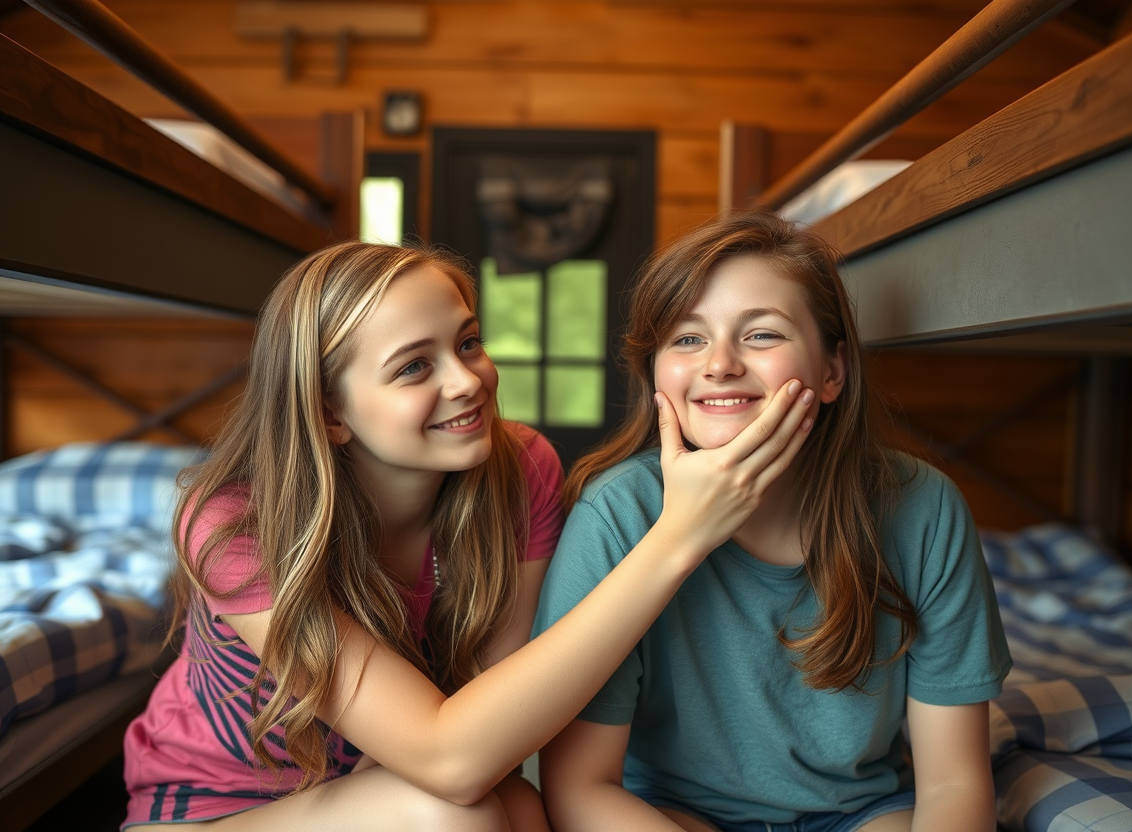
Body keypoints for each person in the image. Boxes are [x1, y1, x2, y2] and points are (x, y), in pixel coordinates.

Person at [121, 240, 816, 832]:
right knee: (458, 813)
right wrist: (678, 538)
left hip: (393, 784)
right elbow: (452, 763)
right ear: (330, 410)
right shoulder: (234, 521)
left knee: (517, 805)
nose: (469, 380)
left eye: (469, 343)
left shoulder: (520, 471)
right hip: (219, 810)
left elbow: (500, 727)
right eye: (414, 366)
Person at [533, 211, 1012, 832]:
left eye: (760, 335)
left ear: (833, 370)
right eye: (686, 338)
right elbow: (578, 788)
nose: (720, 363)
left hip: (860, 811)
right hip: (671, 812)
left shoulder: (924, 508)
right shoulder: (617, 515)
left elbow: (953, 781)